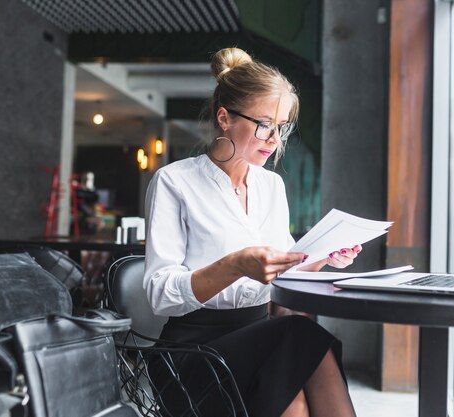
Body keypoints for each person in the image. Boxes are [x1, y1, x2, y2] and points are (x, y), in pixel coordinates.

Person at [144, 47, 360, 417]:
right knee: (302, 337)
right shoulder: (174, 182)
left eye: (282, 127)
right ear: (224, 118)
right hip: (194, 354)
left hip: (260, 338)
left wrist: (322, 257)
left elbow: (282, 274)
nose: (274, 139)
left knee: (293, 392)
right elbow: (160, 295)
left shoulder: (271, 187)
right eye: (264, 124)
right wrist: (235, 265)